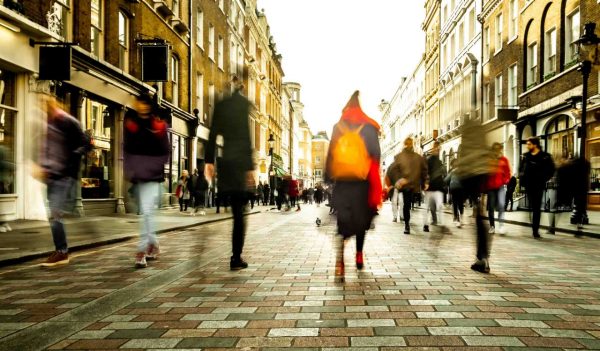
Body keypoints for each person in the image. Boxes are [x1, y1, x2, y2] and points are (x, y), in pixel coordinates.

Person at [326, 91, 382, 279]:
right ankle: (359, 255)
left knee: (343, 222)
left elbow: (331, 154)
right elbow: (375, 153)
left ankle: (340, 262)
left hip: (342, 183)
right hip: (362, 182)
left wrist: (328, 177)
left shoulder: (338, 127)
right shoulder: (368, 127)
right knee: (360, 221)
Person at [205, 77, 254, 270]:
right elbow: (245, 137)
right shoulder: (242, 104)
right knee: (240, 215)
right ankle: (236, 257)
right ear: (241, 86)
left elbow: (212, 133)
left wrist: (209, 161)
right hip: (240, 165)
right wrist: (249, 168)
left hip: (225, 163)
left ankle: (232, 254)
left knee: (233, 208)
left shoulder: (221, 105)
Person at [39, 98, 91, 267]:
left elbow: (86, 143)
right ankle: (61, 249)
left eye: (46, 104)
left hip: (64, 174)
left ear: (55, 104)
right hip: (52, 175)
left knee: (55, 213)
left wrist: (72, 158)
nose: (44, 107)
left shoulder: (68, 121)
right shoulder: (49, 124)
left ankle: (62, 252)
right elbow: (48, 150)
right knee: (54, 214)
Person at [123, 93, 170, 268]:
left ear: (149, 106)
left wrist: (151, 167)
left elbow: (165, 153)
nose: (141, 106)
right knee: (146, 212)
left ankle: (141, 251)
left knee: (147, 213)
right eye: (139, 103)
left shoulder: (158, 126)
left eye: (144, 104)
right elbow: (127, 149)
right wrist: (128, 169)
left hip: (152, 176)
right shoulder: (132, 125)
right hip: (138, 177)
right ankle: (154, 244)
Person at [457, 119, 493, 273]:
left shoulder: (465, 141)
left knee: (478, 217)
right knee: (480, 216)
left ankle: (481, 258)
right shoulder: (482, 137)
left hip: (471, 178)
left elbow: (463, 162)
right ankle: (483, 257)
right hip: (483, 177)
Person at [386, 137, 428, 235]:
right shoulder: (400, 157)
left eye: (410, 143)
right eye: (407, 143)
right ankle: (407, 225)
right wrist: (398, 180)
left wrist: (425, 182)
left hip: (412, 185)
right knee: (406, 205)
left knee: (407, 205)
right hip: (406, 186)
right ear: (405, 144)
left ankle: (407, 224)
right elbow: (393, 170)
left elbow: (424, 170)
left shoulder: (417, 157)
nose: (409, 145)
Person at [519, 137, 555, 239]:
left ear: (535, 144)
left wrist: (544, 179)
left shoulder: (545, 156)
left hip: (539, 185)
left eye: (529, 144)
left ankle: (535, 230)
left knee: (536, 207)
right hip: (529, 185)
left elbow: (551, 169)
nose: (527, 146)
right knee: (532, 206)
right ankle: (534, 227)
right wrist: (523, 180)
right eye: (527, 144)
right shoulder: (526, 156)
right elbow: (521, 169)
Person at [487, 142, 511, 234]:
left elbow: (508, 172)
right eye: (495, 149)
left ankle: (501, 226)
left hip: (500, 186)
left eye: (499, 149)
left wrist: (506, 180)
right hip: (491, 187)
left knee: (501, 205)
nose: (497, 151)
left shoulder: (504, 160)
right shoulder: (489, 160)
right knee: (491, 207)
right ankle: (492, 226)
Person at [423, 141, 446, 232]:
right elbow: (425, 173)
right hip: (430, 188)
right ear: (433, 148)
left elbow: (442, 174)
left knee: (439, 205)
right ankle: (426, 224)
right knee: (427, 207)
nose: (438, 150)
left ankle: (441, 223)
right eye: (436, 148)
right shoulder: (429, 160)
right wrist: (425, 183)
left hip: (438, 189)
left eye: (439, 148)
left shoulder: (440, 162)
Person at [445, 158, 464, 227]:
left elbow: (446, 180)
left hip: (454, 189)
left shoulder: (452, 171)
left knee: (455, 204)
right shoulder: (462, 170)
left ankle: (456, 218)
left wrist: (447, 184)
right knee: (460, 203)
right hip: (461, 189)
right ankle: (460, 218)